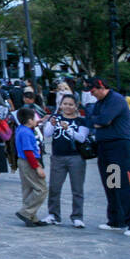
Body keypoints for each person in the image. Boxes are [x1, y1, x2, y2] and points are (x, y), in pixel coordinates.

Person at [85, 78, 130, 236]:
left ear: (101, 87)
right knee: (112, 184)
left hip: (120, 147)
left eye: (93, 91)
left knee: (127, 185)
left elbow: (103, 120)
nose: (92, 95)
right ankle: (116, 220)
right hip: (105, 147)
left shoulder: (116, 100)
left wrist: (98, 121)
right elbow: (91, 120)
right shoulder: (100, 103)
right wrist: (97, 121)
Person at [42, 94, 89, 227]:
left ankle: (77, 216)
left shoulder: (81, 121)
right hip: (58, 157)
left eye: (70, 104)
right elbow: (47, 134)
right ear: (60, 105)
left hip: (76, 157)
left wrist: (68, 129)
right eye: (65, 104)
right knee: (54, 187)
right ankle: (53, 215)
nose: (67, 107)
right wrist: (51, 123)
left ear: (76, 106)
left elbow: (81, 138)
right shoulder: (56, 118)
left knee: (77, 188)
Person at [14, 106, 48, 227]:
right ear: (29, 120)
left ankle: (32, 217)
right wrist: (37, 167)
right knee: (41, 189)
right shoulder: (27, 133)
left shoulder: (21, 129)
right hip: (29, 161)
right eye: (34, 118)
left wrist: (40, 121)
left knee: (28, 189)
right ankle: (26, 212)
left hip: (23, 161)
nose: (36, 120)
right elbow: (28, 151)